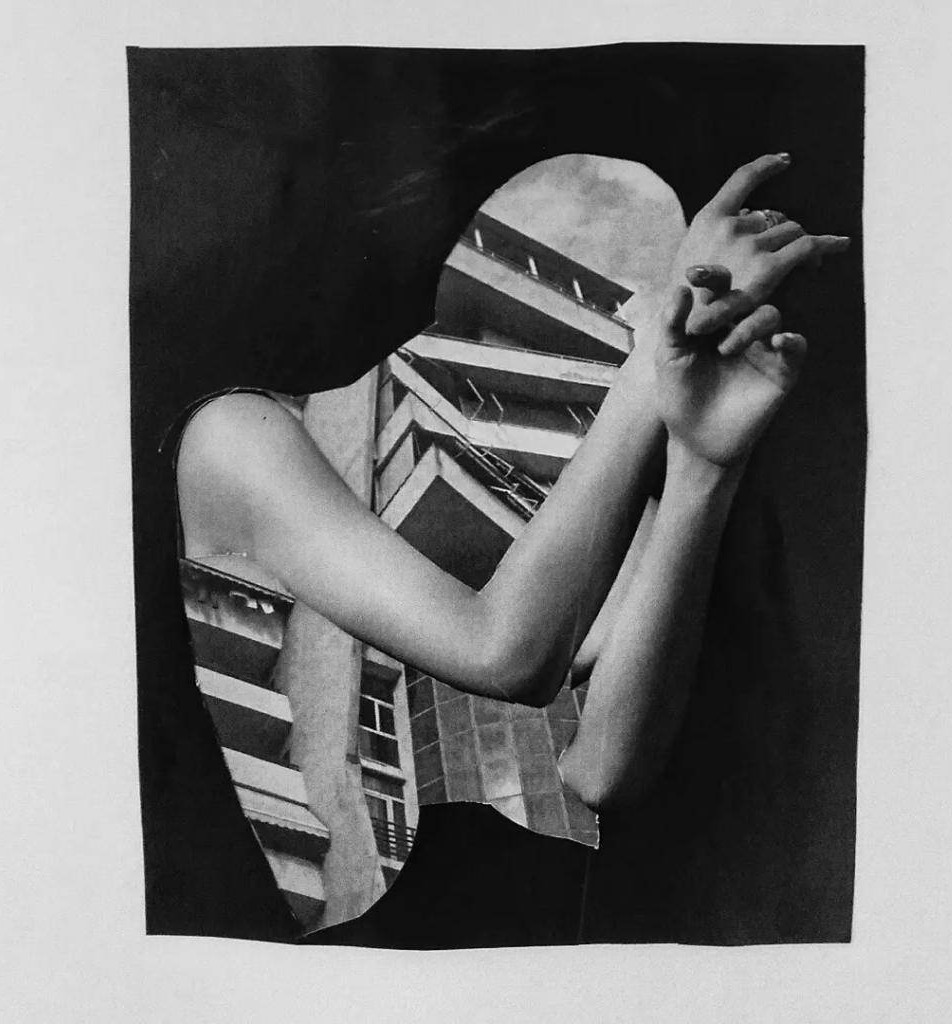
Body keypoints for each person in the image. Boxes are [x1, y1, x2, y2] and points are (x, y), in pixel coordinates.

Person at [176, 152, 849, 821]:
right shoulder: (225, 436)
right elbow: (504, 656)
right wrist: (650, 357)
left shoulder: (550, 516)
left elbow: (603, 771)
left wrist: (703, 469)